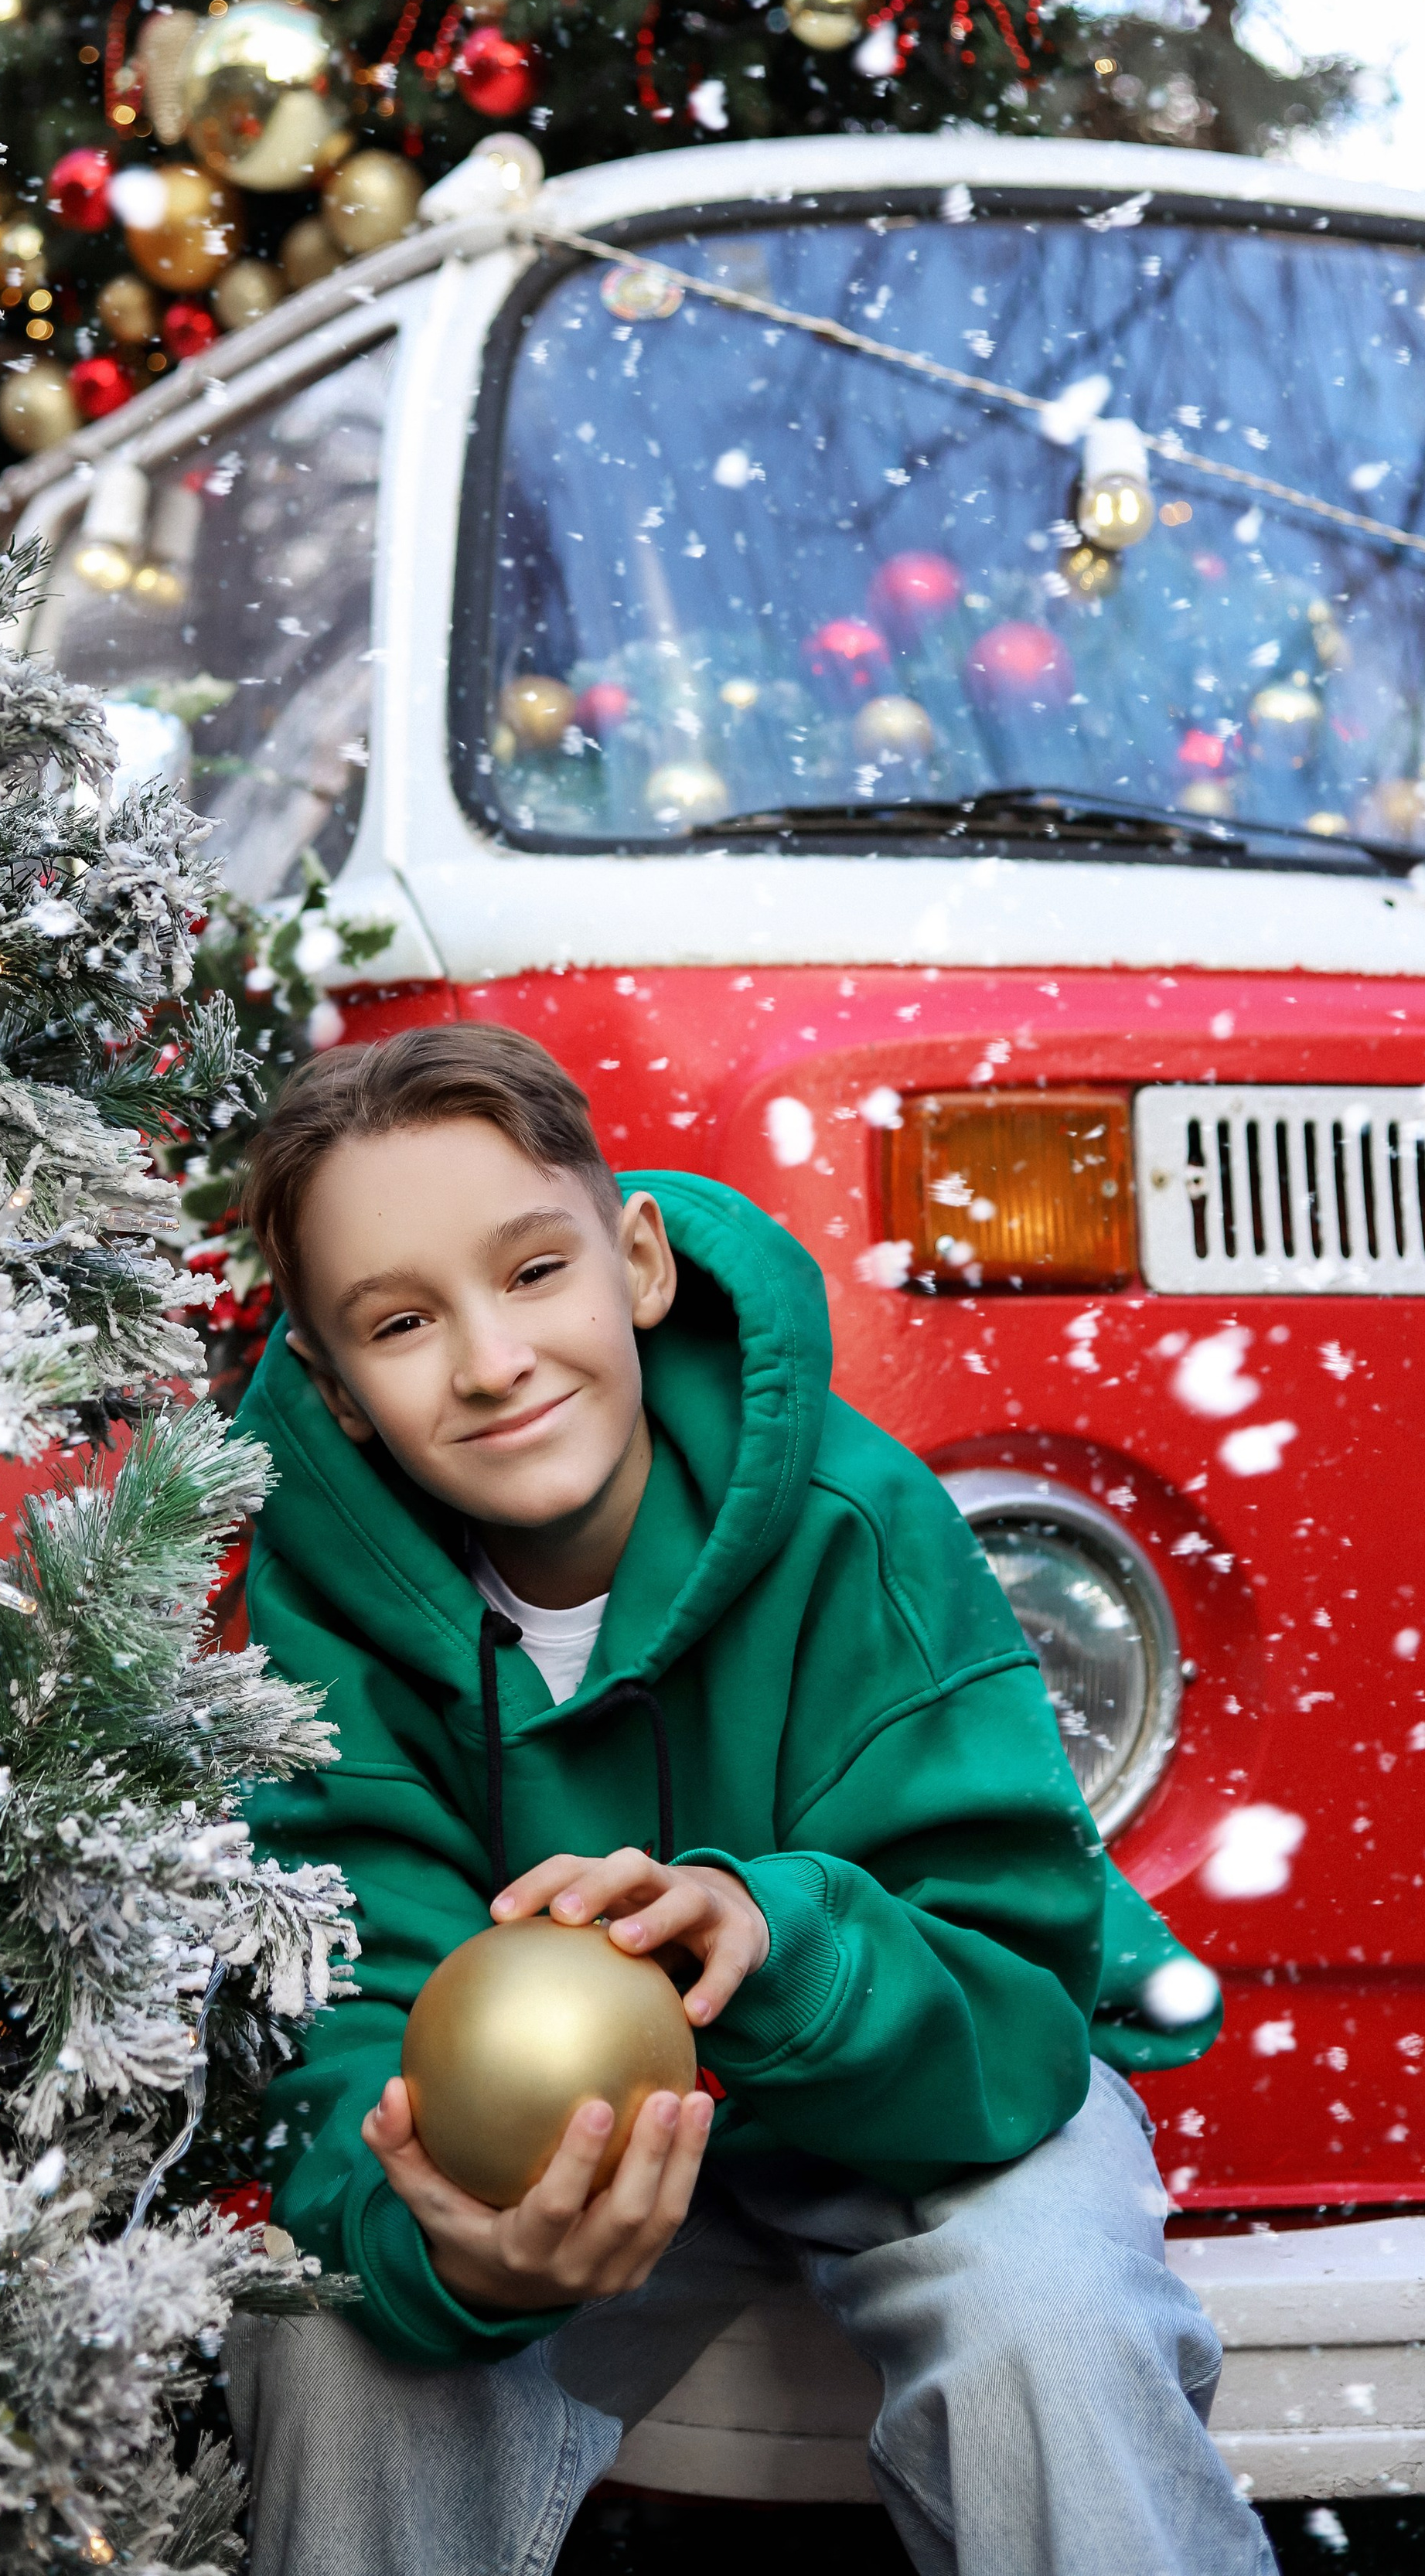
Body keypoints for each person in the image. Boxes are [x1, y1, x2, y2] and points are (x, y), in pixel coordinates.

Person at [223, 1024, 1262, 2576]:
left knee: (1049, 2311)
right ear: (334, 1384)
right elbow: (347, 1997)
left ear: (635, 1261)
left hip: (924, 2097)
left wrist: (775, 1942)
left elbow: (1015, 2013)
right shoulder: (318, 1608)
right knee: (329, 2346)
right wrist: (455, 2250)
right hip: (570, 2153)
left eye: (530, 1273)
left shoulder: (858, 1528)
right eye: (399, 1321)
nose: (493, 1361)